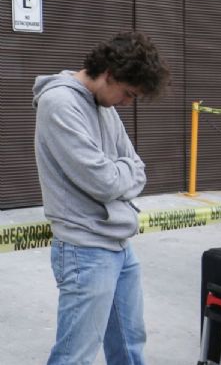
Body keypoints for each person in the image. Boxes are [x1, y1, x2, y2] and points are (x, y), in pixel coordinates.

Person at [33, 31, 170, 365]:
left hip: (120, 245)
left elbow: (138, 167)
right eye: (128, 93)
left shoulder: (104, 105)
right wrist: (119, 173)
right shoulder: (60, 104)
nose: (127, 102)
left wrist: (119, 172)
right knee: (74, 357)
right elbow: (104, 181)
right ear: (109, 75)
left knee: (130, 346)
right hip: (85, 250)